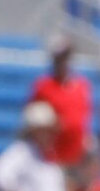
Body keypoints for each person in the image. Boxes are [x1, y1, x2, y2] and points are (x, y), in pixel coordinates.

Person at [27, 37, 94, 167]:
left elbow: (84, 115)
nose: (64, 62)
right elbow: (32, 117)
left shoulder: (82, 85)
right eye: (61, 58)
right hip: (52, 153)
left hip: (77, 152)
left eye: (66, 58)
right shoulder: (43, 86)